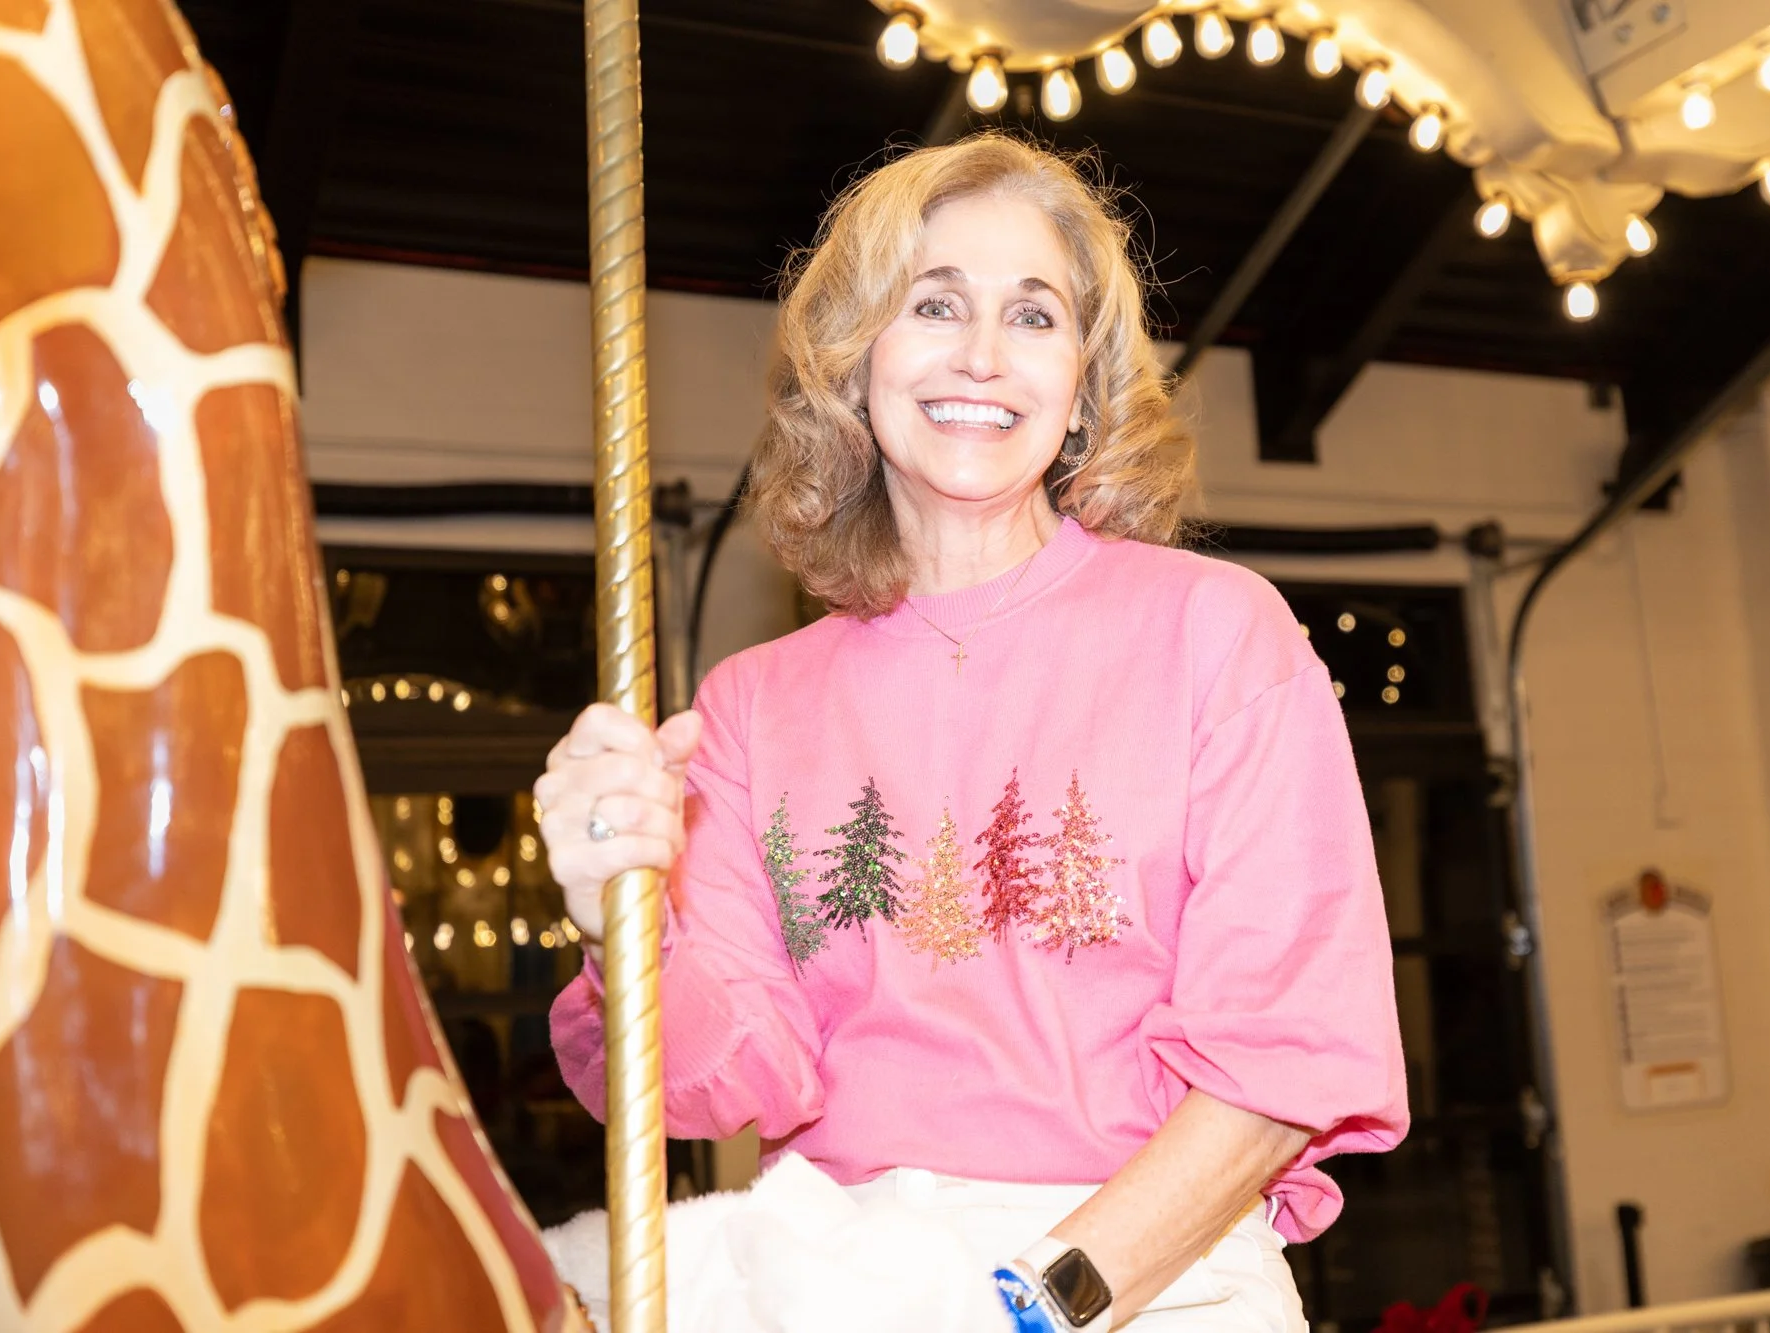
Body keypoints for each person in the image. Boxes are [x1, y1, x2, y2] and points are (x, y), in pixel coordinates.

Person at [539, 133, 1407, 1332]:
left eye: (1036, 317)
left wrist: (1030, 1305)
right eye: (934, 303)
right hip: (843, 1277)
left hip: (1144, 1278)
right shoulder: (749, 704)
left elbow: (1283, 1063)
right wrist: (612, 918)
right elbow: (724, 1081)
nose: (984, 356)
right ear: (855, 357)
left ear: (1084, 383)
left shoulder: (1217, 633)